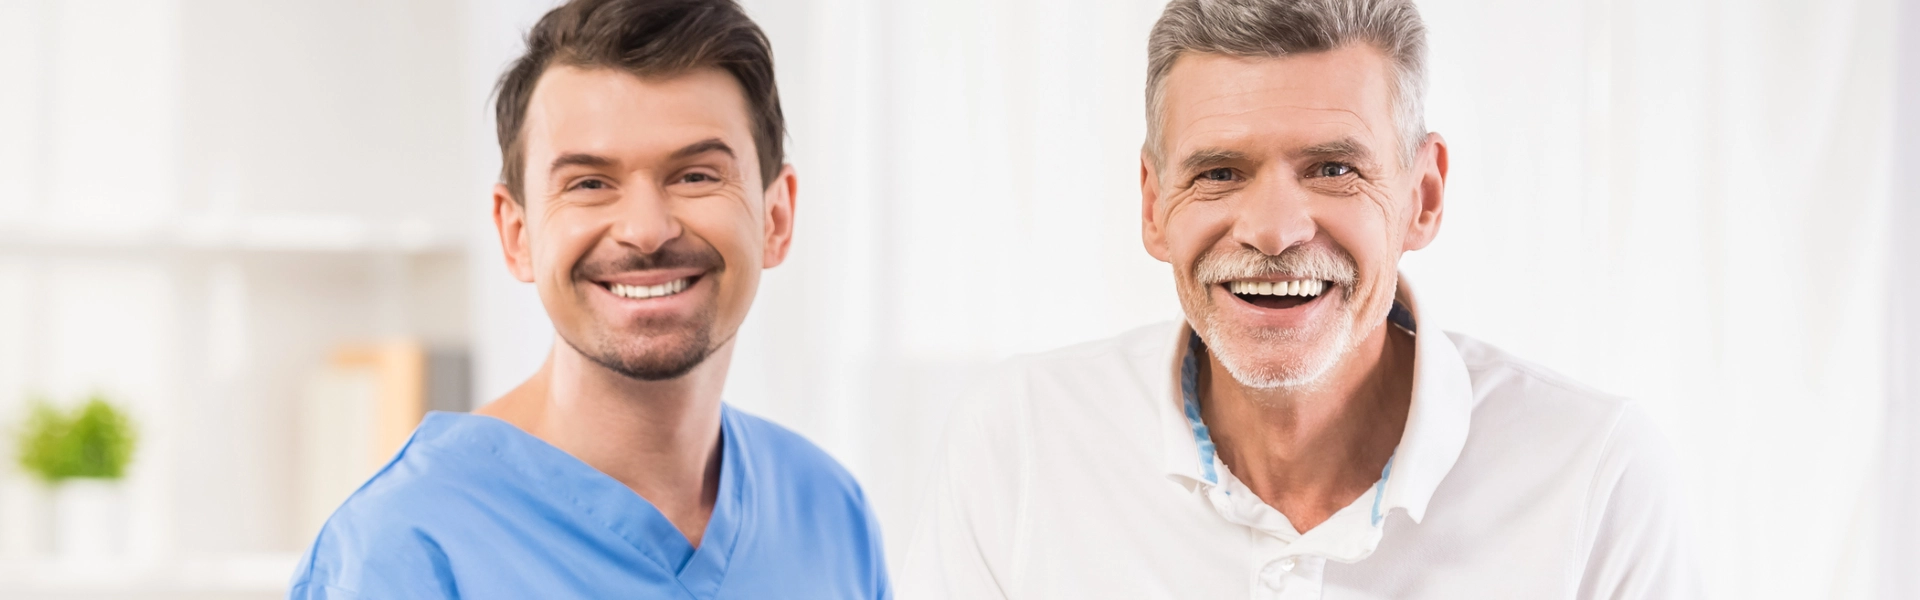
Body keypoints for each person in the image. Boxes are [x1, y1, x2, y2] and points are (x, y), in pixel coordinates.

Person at [901, 0, 1696, 598]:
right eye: (1219, 172)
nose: (1275, 231)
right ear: (1153, 204)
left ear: (1422, 196)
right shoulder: (1021, 443)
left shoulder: (1598, 476)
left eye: (1333, 169)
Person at [289, 1, 890, 597]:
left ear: (776, 217)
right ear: (516, 233)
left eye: (696, 176)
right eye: (590, 184)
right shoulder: (402, 549)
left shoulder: (830, 514)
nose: (646, 229)